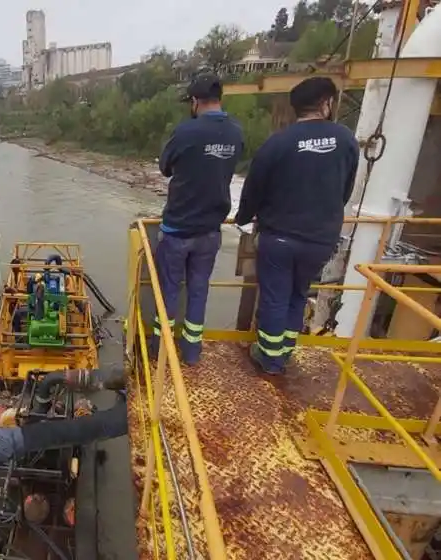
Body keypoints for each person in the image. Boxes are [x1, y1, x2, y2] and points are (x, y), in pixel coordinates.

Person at [236, 76, 359, 375]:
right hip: (321, 238)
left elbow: (254, 189)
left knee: (275, 297)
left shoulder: (278, 143)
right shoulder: (346, 141)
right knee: (298, 294)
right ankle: (285, 351)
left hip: (280, 237)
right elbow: (346, 189)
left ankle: (270, 358)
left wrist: (243, 217)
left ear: (296, 109)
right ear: (326, 104)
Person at [153, 73, 244, 365]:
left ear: (194, 102)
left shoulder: (186, 132)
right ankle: (191, 353)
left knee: (167, 291)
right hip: (210, 230)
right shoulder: (235, 132)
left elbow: (165, 167)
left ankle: (159, 351)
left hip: (178, 228)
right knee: (199, 290)